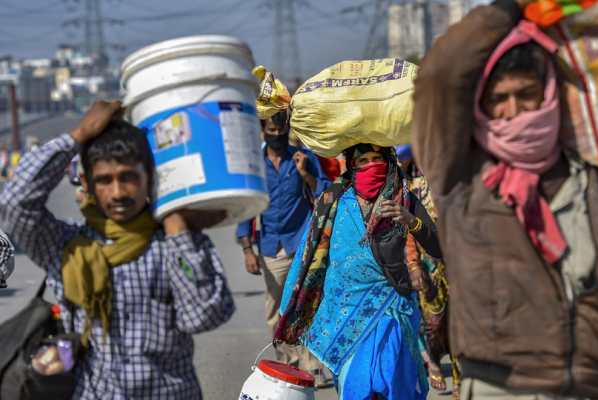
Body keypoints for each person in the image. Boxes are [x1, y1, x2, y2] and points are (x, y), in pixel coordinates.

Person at [412, 1, 598, 399]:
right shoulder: (462, 179)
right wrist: (513, 8)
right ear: (482, 106)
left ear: (549, 94)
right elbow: (440, 75)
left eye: (526, 95)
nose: (513, 112)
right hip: (500, 389)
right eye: (499, 99)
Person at [0, 100, 235, 399]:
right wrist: (78, 135)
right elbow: (14, 202)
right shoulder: (67, 246)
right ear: (87, 184)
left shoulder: (175, 242)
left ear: (148, 176)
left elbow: (202, 317)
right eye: (104, 181)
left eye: (128, 177)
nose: (118, 193)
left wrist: (178, 229)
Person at [276, 144, 442, 400]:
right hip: (344, 313)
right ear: (352, 165)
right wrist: (289, 307)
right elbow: (309, 254)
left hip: (391, 308)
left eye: (377, 159)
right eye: (363, 160)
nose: (371, 165)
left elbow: (438, 246)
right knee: (358, 387)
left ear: (388, 161)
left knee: (390, 381)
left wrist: (411, 221)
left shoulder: (404, 197)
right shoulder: (333, 199)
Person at [236, 110, 331, 383]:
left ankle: (311, 365)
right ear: (263, 131)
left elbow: (323, 194)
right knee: (276, 309)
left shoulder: (303, 158)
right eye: (271, 131)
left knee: (305, 303)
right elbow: (246, 205)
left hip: (301, 243)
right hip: (269, 247)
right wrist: (246, 249)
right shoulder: (254, 163)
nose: (276, 136)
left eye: (281, 131)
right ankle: (289, 363)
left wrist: (306, 175)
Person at [397, 144, 460, 399]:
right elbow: (410, 234)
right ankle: (433, 361)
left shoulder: (453, 182)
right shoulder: (411, 188)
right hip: (427, 265)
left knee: (457, 324)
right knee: (433, 323)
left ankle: (459, 380)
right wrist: (413, 264)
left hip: (456, 263)